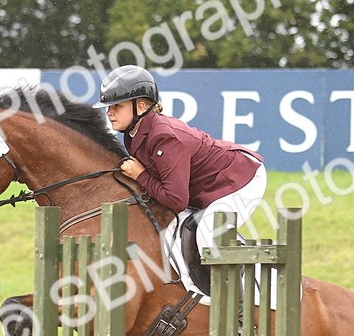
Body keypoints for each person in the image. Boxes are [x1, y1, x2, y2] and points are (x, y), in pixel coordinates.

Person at [97, 65, 267, 271]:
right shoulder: (133, 133)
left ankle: (239, 299)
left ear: (140, 107)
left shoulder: (164, 136)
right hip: (207, 185)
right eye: (109, 107)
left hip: (240, 178)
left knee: (207, 234)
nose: (110, 113)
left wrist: (140, 175)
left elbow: (176, 201)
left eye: (117, 106)